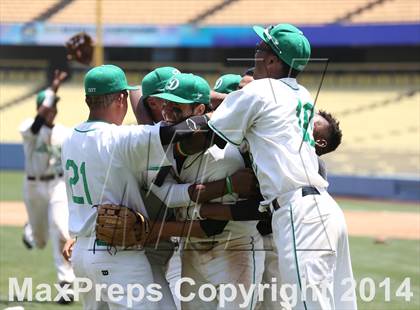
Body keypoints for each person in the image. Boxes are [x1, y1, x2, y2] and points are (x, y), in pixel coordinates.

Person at [206, 24, 357, 309]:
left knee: (309, 304)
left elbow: (215, 133)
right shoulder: (301, 94)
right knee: (336, 302)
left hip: (298, 211)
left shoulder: (261, 89)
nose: (256, 54)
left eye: (260, 49)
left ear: (274, 60)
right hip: (323, 208)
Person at [61, 64, 172, 309]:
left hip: (81, 252)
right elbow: (171, 133)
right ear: (121, 98)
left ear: (88, 99)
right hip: (118, 253)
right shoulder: (119, 138)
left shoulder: (68, 137)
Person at [152, 73, 265, 309]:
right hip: (191, 249)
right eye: (166, 107)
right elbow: (167, 195)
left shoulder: (225, 157)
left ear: (199, 110)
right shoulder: (160, 144)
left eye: (177, 109)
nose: (169, 116)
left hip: (234, 249)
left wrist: (152, 229)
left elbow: (211, 225)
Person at [19, 70, 75, 304]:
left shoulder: (64, 132)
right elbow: (38, 122)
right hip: (33, 186)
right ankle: (31, 230)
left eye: (54, 106)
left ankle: (66, 286)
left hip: (57, 184)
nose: (52, 109)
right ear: (41, 107)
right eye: (48, 105)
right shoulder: (29, 128)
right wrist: (54, 87)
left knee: (62, 230)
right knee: (40, 240)